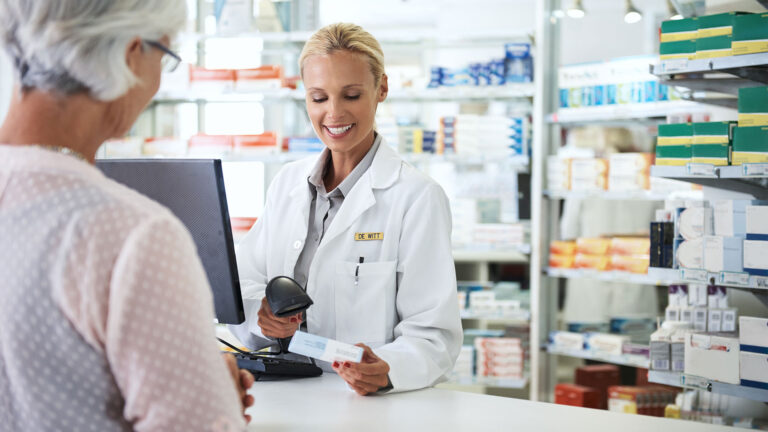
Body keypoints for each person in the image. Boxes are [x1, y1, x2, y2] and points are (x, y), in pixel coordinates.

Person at [0, 1, 253, 430]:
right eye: (165, 57)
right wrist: (212, 403)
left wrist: (190, 379)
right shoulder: (131, 234)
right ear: (130, 54)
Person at [230, 22, 462, 395]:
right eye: (319, 98)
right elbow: (244, 283)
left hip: (361, 405)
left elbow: (434, 336)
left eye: (351, 95)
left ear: (381, 88)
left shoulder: (416, 197)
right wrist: (263, 319)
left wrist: (388, 369)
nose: (334, 113)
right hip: (283, 393)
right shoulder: (286, 185)